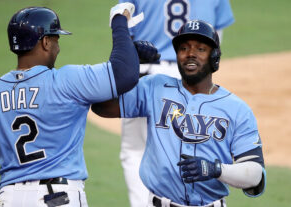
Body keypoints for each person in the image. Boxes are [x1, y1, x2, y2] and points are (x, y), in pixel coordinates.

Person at [0, 4, 156, 207]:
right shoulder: (66, 82)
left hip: (8, 199)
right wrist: (119, 20)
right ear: (46, 42)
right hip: (57, 197)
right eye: (56, 40)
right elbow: (123, 73)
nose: (58, 47)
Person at [92, 20, 266, 207]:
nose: (190, 54)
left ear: (214, 57)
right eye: (183, 48)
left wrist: (216, 169)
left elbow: (255, 175)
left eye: (200, 49)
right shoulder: (154, 87)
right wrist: (129, 65)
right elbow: (101, 106)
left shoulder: (237, 109)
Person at [115, 1, 235, 206]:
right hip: (194, 75)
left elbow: (124, 32)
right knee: (193, 147)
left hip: (146, 76)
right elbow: (216, 40)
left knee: (135, 150)